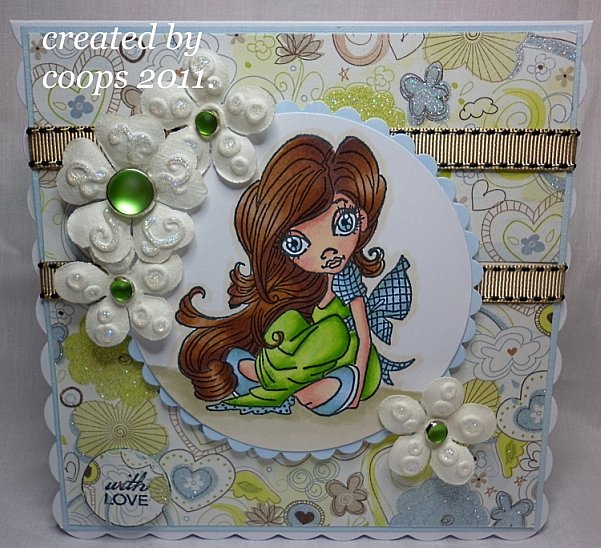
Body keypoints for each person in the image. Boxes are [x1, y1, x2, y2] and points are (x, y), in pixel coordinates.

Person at [177, 134, 413, 416]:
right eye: (298, 243)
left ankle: (268, 381)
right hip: (310, 363)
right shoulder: (301, 286)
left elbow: (363, 337)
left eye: (343, 222)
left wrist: (358, 384)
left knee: (335, 331)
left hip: (346, 362)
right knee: (287, 320)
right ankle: (278, 382)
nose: (328, 251)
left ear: (361, 219)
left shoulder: (347, 280)